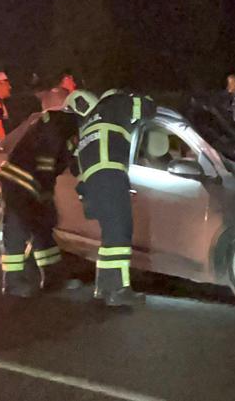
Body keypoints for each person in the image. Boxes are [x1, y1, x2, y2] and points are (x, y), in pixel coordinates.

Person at [63, 89, 155, 306]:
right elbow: (148, 108)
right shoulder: (116, 103)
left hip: (92, 183)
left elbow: (74, 166)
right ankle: (118, 290)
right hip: (110, 175)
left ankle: (103, 287)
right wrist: (143, 98)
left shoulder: (87, 125)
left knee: (110, 235)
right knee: (119, 232)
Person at [0, 88, 81, 297]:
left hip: (32, 182)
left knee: (42, 226)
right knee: (17, 228)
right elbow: (46, 160)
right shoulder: (59, 123)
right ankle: (13, 284)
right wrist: (44, 191)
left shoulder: (62, 125)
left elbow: (63, 158)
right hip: (19, 181)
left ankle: (53, 278)